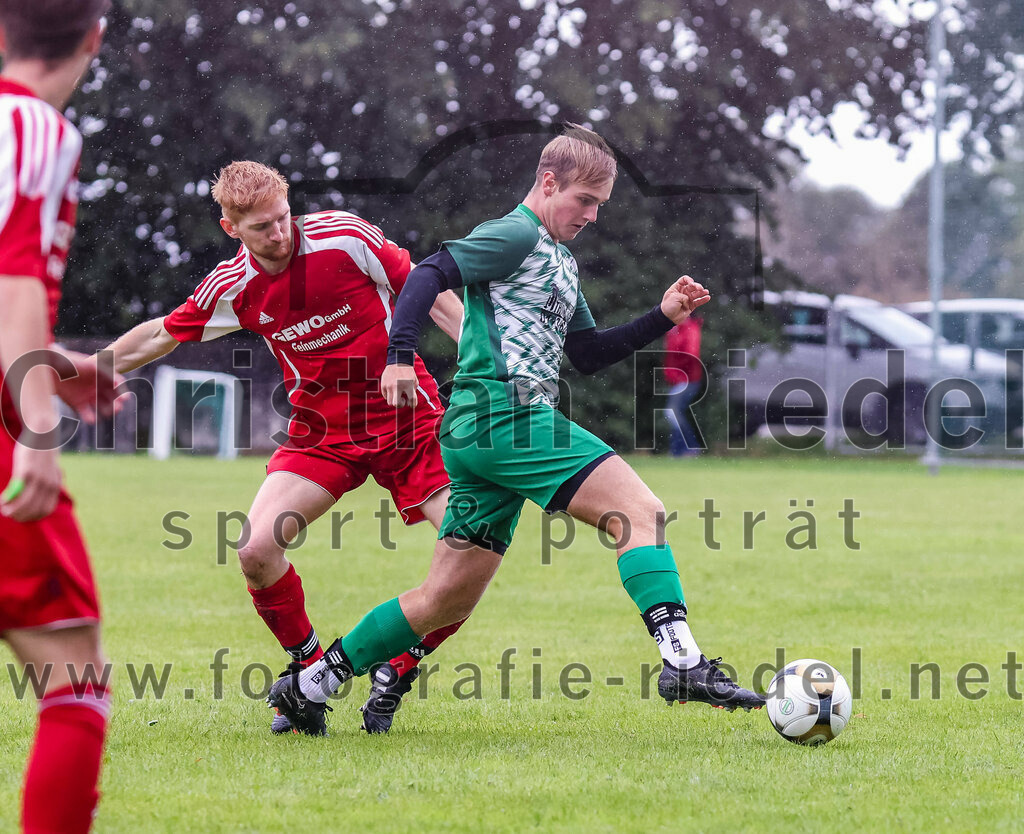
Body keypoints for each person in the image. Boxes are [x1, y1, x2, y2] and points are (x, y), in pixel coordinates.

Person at [270, 124, 763, 732]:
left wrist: (664, 316)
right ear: (548, 182)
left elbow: (587, 352)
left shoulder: (559, 260)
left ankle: (312, 683)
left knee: (442, 599)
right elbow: (427, 273)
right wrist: (400, 355)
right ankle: (682, 663)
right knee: (641, 512)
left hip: (477, 432)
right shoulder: (515, 234)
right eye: (584, 200)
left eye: (600, 206)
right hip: (506, 415)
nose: (591, 215)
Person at [98, 161, 467, 735]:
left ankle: (398, 664)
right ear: (231, 228)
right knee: (255, 549)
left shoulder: (345, 238)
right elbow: (159, 334)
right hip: (321, 436)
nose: (280, 234)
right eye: (263, 227)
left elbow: (425, 289)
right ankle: (309, 673)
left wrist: (480, 358)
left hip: (409, 424)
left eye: (283, 217)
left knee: (467, 553)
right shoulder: (234, 287)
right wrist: (89, 370)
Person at [0, 1, 123, 831]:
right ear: (94, 38)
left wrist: (58, 364)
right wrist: (34, 427)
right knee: (75, 682)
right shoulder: (36, 129)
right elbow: (11, 279)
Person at [663, 316, 705, 455]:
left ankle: (687, 448)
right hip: (678, 379)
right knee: (674, 413)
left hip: (687, 379)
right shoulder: (675, 329)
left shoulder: (690, 329)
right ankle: (682, 449)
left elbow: (691, 354)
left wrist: (679, 373)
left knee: (672, 413)